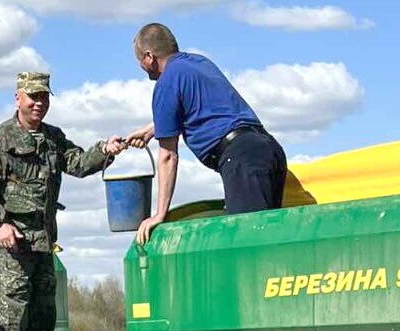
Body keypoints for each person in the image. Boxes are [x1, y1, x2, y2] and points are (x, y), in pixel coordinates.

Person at [0, 71, 126, 331]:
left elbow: (78, 163)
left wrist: (105, 150)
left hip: (43, 244)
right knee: (14, 315)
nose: (39, 103)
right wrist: (0, 224)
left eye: (44, 97)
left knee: (43, 315)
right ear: (18, 98)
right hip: (12, 247)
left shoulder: (53, 138)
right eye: (33, 97)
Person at [123, 23, 287, 244]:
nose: (140, 67)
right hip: (268, 151)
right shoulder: (198, 63)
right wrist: (153, 129)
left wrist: (159, 214)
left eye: (139, 60)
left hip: (241, 160)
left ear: (149, 56)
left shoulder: (166, 82)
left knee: (249, 245)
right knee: (270, 240)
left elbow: (168, 156)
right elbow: (204, 108)